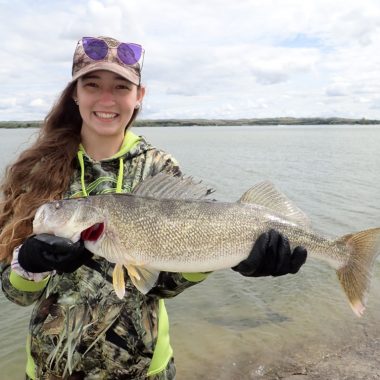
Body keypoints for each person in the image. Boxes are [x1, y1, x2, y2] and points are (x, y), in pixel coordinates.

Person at [0, 36, 307, 380]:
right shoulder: (35, 169)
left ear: (139, 96)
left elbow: (162, 285)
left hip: (144, 369)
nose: (106, 99)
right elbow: (15, 294)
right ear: (74, 93)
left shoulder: (160, 168)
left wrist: (228, 255)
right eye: (92, 85)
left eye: (121, 87)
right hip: (50, 369)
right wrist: (28, 264)